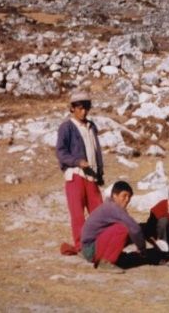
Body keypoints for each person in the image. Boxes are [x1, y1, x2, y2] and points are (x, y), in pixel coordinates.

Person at [55, 89, 104, 255]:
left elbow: (97, 151)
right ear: (73, 108)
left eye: (86, 108)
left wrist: (100, 173)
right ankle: (82, 246)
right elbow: (61, 153)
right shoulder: (66, 127)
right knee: (78, 214)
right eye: (80, 108)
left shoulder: (91, 126)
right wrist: (77, 161)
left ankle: (101, 242)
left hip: (91, 175)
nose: (83, 112)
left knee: (99, 211)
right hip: (75, 175)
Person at [80, 180, 147, 272]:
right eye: (124, 195)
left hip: (91, 247)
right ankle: (105, 262)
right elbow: (135, 229)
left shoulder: (111, 207)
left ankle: (112, 255)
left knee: (126, 228)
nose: (127, 199)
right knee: (123, 228)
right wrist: (142, 249)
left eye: (129, 196)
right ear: (115, 196)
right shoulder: (113, 208)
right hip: (90, 250)